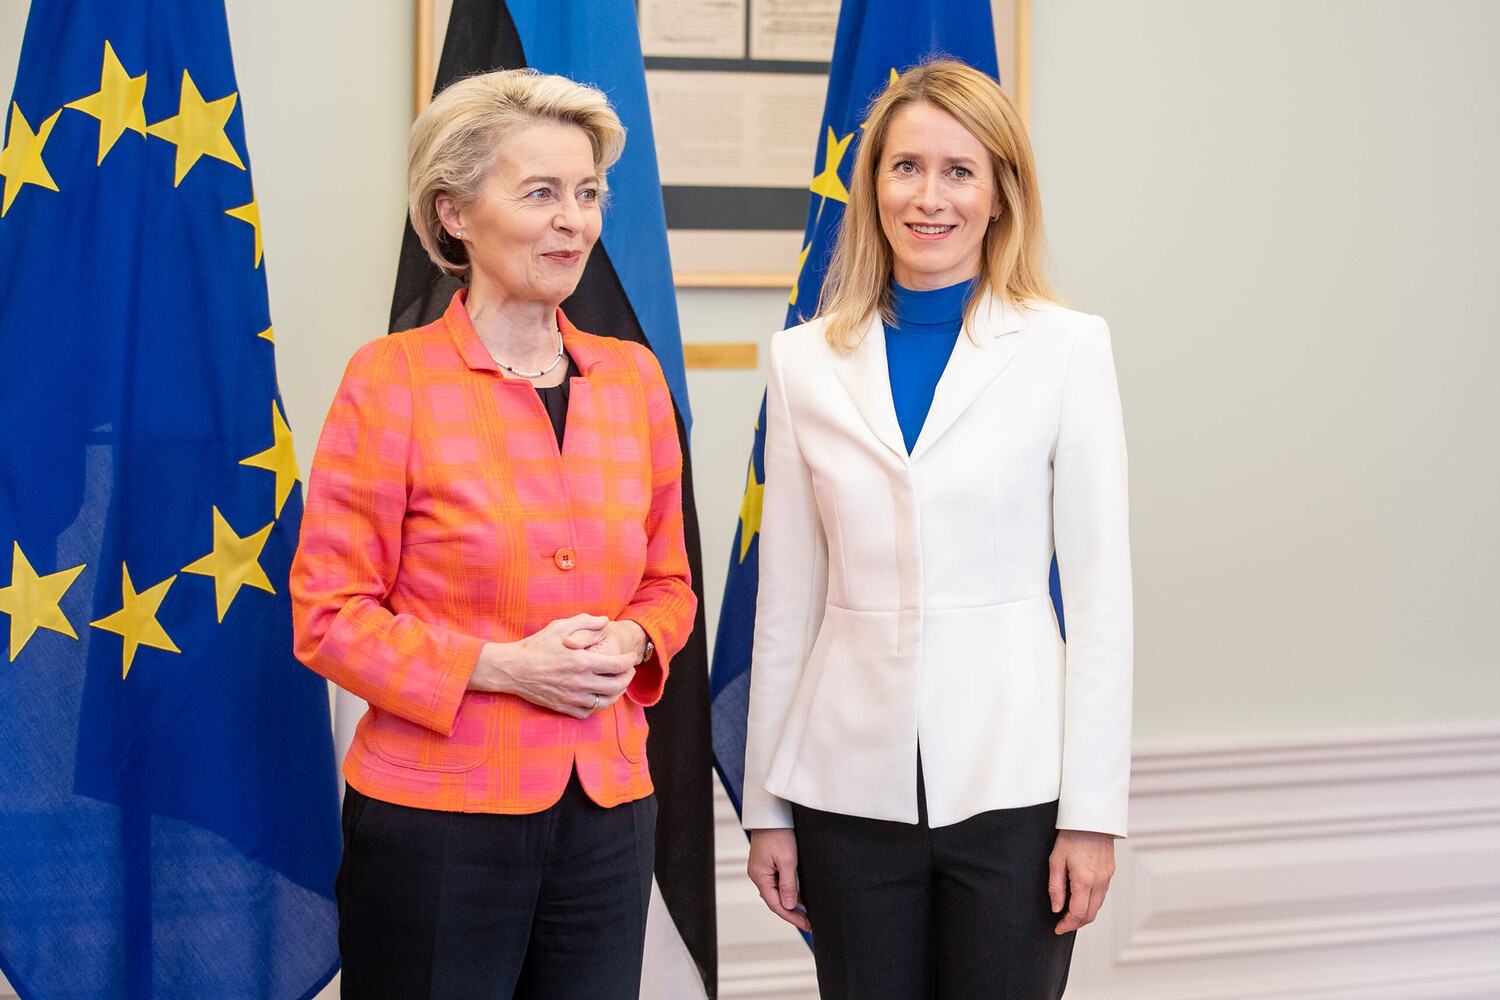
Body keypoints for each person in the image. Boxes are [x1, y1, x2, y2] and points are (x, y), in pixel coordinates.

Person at [290, 68, 696, 1000]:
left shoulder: (632, 380)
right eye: (541, 193)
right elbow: (329, 616)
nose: (573, 221)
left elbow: (669, 585)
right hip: (435, 823)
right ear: (455, 213)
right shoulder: (389, 380)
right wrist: (502, 667)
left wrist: (634, 640)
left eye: (587, 194)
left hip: (608, 813)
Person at [742, 59, 1132, 999]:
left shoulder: (1067, 349)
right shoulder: (801, 362)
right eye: (906, 167)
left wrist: (1093, 815)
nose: (929, 197)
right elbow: (785, 605)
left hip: (1016, 788)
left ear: (1000, 195)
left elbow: (1101, 602)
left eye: (960, 171)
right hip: (843, 791)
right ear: (872, 184)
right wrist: (767, 811)